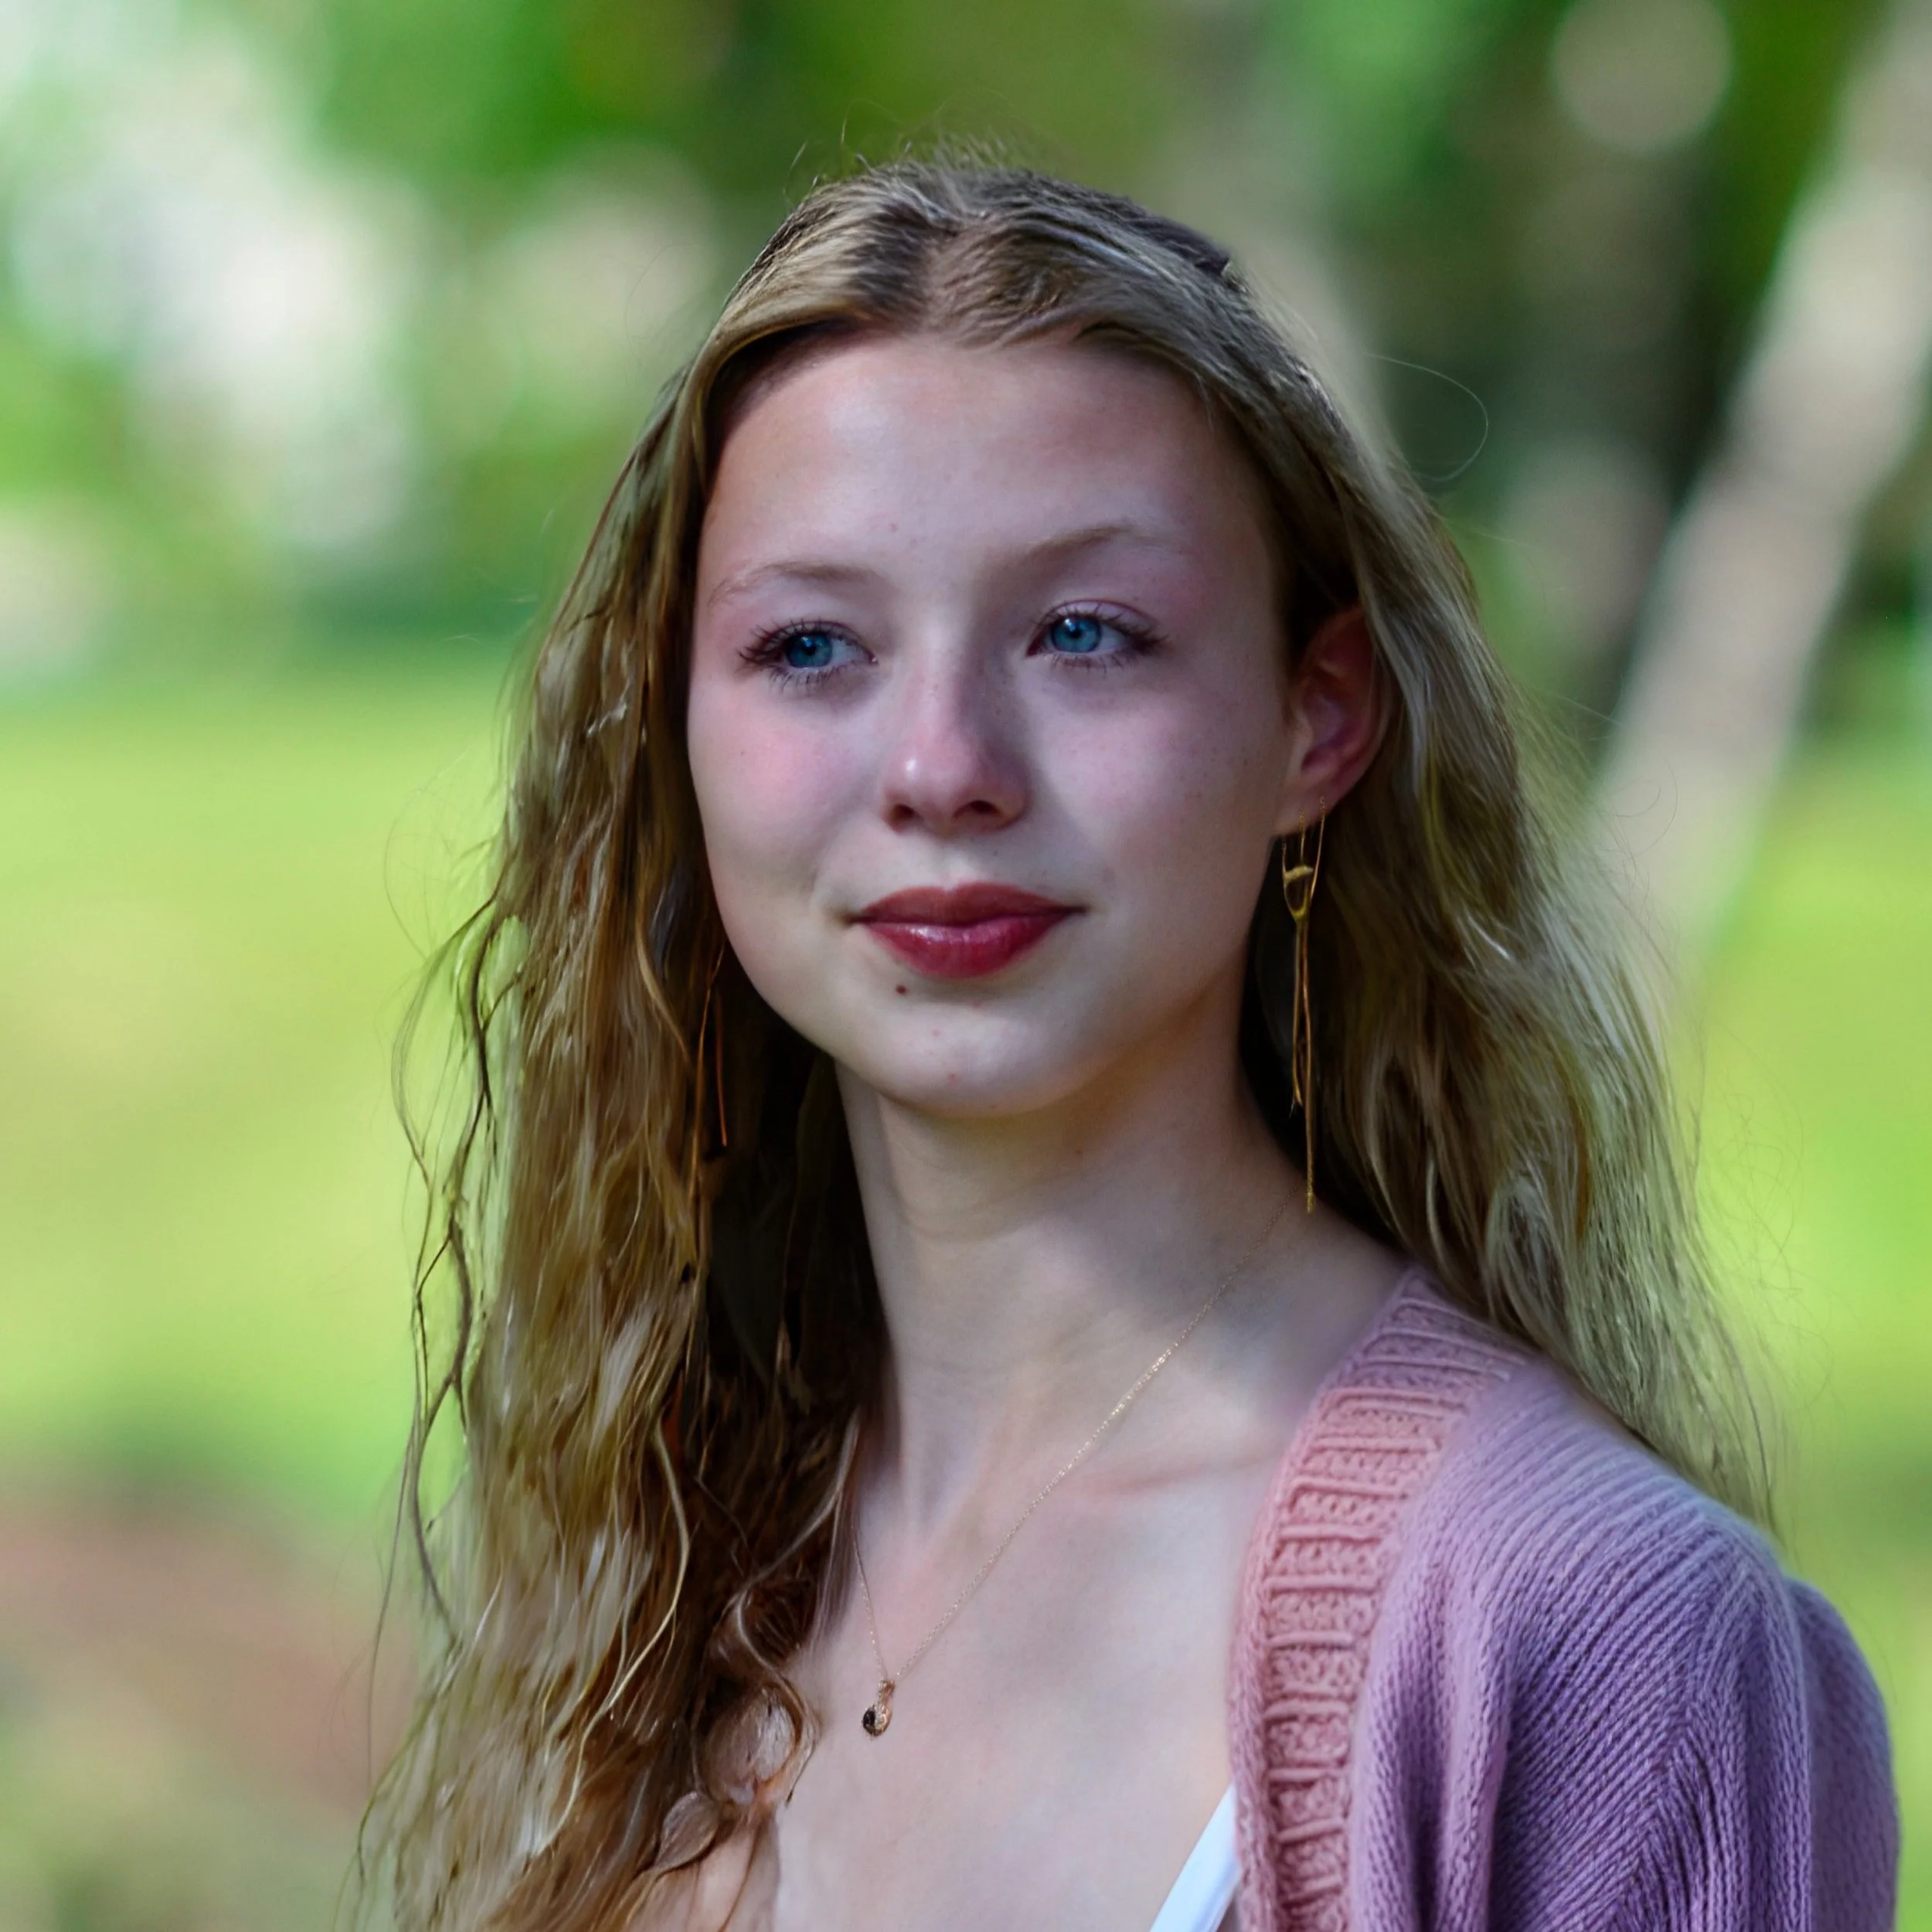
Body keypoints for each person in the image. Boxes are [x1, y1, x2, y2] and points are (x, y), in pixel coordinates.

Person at [366, 162, 1898, 1931]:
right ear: (676, 733)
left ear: (1313, 718)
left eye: (1083, 631)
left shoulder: (1601, 1640)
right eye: (809, 644)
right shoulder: (671, 1542)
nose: (942, 764)